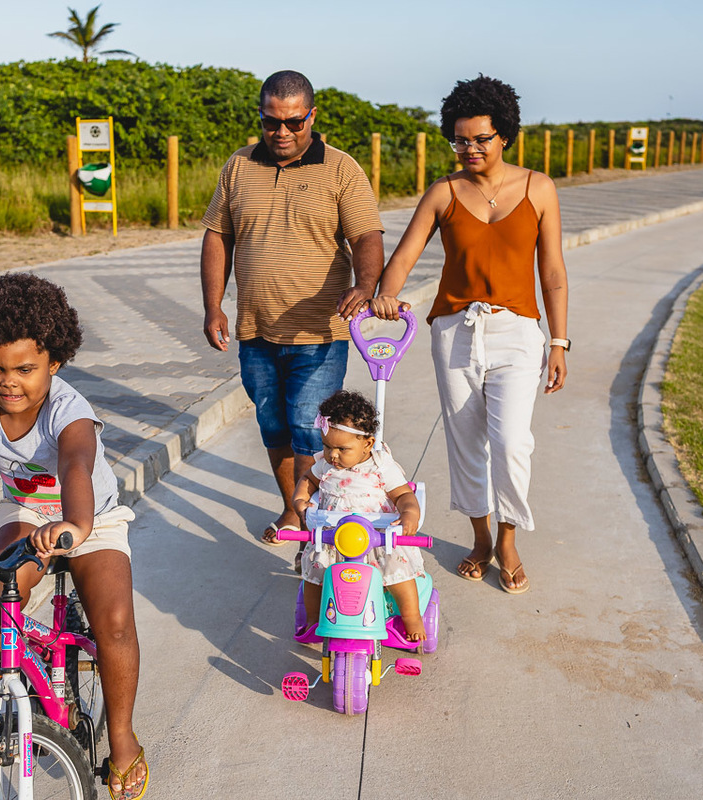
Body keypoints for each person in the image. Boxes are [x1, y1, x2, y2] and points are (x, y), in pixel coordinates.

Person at [0, 272, 148, 800]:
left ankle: (122, 738)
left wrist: (77, 525)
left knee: (113, 624)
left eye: (25, 369)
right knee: (0, 575)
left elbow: (75, 466)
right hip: (24, 510)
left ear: (55, 363)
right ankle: (3, 635)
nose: (8, 382)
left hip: (91, 517)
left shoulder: (70, 413)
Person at [371, 75, 569, 595]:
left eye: (480, 138)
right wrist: (385, 295)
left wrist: (559, 341)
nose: (470, 149)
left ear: (504, 134)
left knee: (511, 444)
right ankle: (480, 537)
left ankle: (508, 538)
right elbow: (404, 258)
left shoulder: (538, 188)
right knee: (466, 444)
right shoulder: (444, 192)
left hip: (519, 333)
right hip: (456, 333)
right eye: (459, 139)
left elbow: (552, 272)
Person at [200, 69, 385, 555]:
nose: (282, 133)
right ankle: (294, 507)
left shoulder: (342, 169)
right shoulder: (238, 167)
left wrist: (366, 285)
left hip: (320, 331)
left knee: (309, 426)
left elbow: (366, 235)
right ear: (261, 116)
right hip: (256, 329)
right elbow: (218, 236)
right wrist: (212, 306)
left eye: (294, 122)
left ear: (312, 116)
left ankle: (314, 520)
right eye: (271, 122)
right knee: (274, 424)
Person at [292, 390, 426, 639]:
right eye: (327, 446)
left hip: (377, 539)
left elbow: (404, 495)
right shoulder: (326, 465)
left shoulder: (380, 466)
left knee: (397, 571)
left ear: (367, 444)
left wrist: (409, 514)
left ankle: (411, 618)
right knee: (314, 573)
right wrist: (300, 500)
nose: (333, 455)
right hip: (333, 538)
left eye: (342, 449)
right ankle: (314, 621)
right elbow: (307, 480)